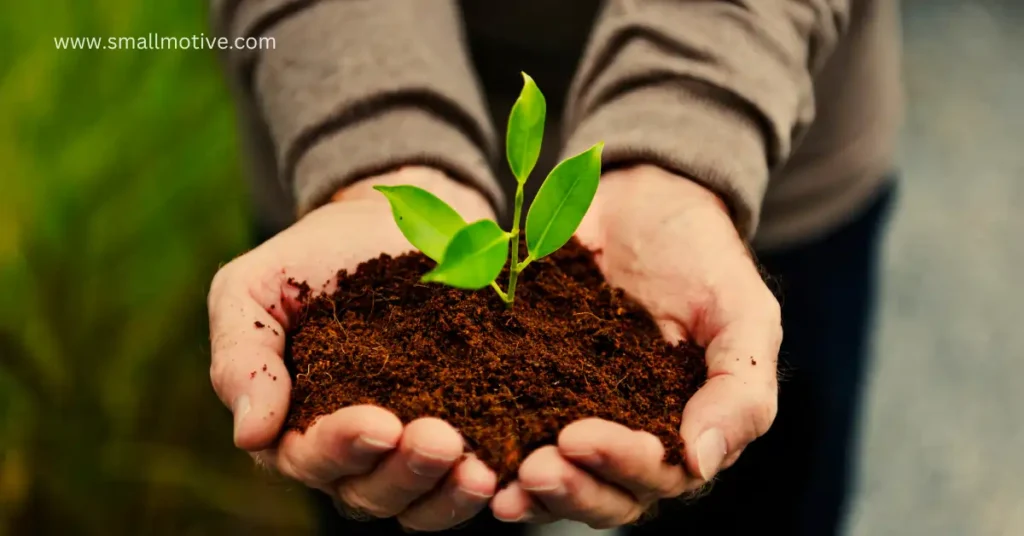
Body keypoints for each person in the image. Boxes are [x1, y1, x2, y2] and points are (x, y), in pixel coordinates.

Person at [206, 1, 901, 534]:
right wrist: (373, 135)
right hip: (333, 140)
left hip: (762, 131)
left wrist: (690, 120)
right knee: (391, 485)